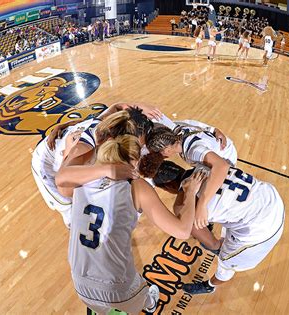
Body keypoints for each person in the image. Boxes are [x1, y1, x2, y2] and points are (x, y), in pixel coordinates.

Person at [69, 135, 206, 314]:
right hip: (117, 288)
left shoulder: (82, 176)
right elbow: (182, 231)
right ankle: (150, 303)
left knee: (102, 308)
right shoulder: (138, 186)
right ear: (133, 161)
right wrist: (190, 192)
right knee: (142, 300)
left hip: (80, 282)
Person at [147, 161, 284, 295]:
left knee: (226, 261)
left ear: (167, 187)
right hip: (271, 197)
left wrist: (217, 247)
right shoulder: (205, 164)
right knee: (229, 221)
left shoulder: (181, 205)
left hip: (262, 228)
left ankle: (210, 286)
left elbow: (212, 243)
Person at [33, 104, 159, 228]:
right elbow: (64, 185)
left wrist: (139, 108)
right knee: (71, 210)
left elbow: (117, 106)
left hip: (70, 154)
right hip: (46, 163)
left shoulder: (114, 123)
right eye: (135, 145)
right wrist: (109, 170)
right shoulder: (85, 144)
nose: (137, 149)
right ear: (119, 137)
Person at [143, 124, 237, 230]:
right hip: (217, 153)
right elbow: (199, 126)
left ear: (166, 150)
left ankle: (207, 221)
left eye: (158, 153)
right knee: (192, 188)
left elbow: (222, 166)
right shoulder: (178, 131)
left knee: (198, 200)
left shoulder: (194, 151)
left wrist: (202, 205)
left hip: (225, 160)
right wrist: (214, 129)